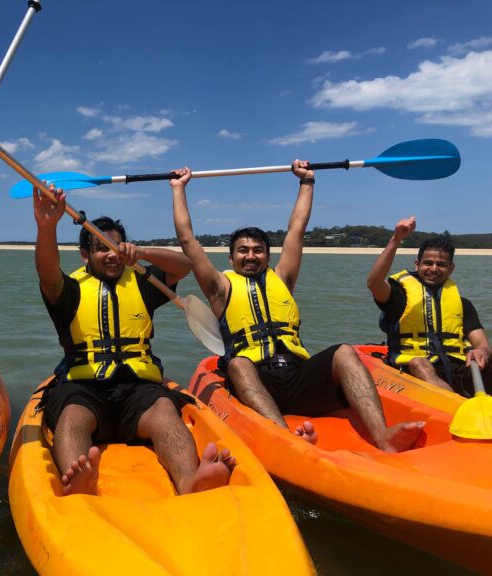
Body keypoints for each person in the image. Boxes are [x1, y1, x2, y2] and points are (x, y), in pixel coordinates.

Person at [170, 164, 424, 452]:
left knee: (343, 351)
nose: (251, 256)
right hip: (257, 378)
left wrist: (307, 181)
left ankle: (383, 435)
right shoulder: (220, 288)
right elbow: (187, 240)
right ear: (230, 259)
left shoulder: (282, 278)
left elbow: (297, 229)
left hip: (297, 373)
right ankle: (287, 442)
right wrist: (179, 189)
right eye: (243, 250)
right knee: (238, 363)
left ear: (267, 255)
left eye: (258, 250)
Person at [33, 186, 234, 496]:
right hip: (84, 387)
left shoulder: (143, 282)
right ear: (86, 255)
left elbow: (184, 265)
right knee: (73, 418)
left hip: (139, 389)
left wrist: (140, 253)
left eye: (117, 246)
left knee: (165, 412)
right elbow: (47, 273)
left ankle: (189, 481)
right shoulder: (68, 290)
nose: (112, 254)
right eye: (101, 247)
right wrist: (46, 228)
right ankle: (80, 481)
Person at [366, 217, 491, 396]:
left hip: (457, 368)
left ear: (451, 268)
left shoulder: (463, 304)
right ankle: (457, 409)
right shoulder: (398, 296)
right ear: (417, 265)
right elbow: (374, 283)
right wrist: (396, 240)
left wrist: (482, 352)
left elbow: (483, 345)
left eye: (441, 264)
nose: (434, 268)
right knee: (420, 364)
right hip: (413, 368)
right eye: (427, 263)